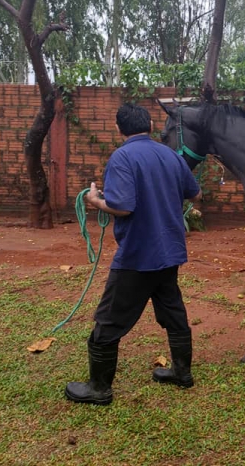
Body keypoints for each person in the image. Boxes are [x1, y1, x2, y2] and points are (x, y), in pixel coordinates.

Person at [65, 102, 201, 406]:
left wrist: (95, 200)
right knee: (172, 312)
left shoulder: (122, 157)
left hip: (138, 256)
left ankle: (99, 388)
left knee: (109, 320)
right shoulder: (170, 155)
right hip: (170, 252)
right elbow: (196, 193)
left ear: (118, 129)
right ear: (151, 126)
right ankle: (182, 373)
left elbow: (123, 206)